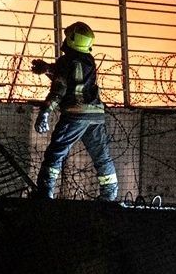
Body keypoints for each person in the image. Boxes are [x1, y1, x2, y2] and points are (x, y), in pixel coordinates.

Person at [33, 21, 118, 201]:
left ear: (72, 40)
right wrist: (48, 68)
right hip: (95, 115)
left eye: (67, 37)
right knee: (101, 156)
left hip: (75, 114)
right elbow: (72, 77)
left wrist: (45, 112)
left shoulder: (66, 61)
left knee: (56, 152)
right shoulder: (88, 60)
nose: (64, 40)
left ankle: (45, 191)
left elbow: (60, 88)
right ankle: (110, 194)